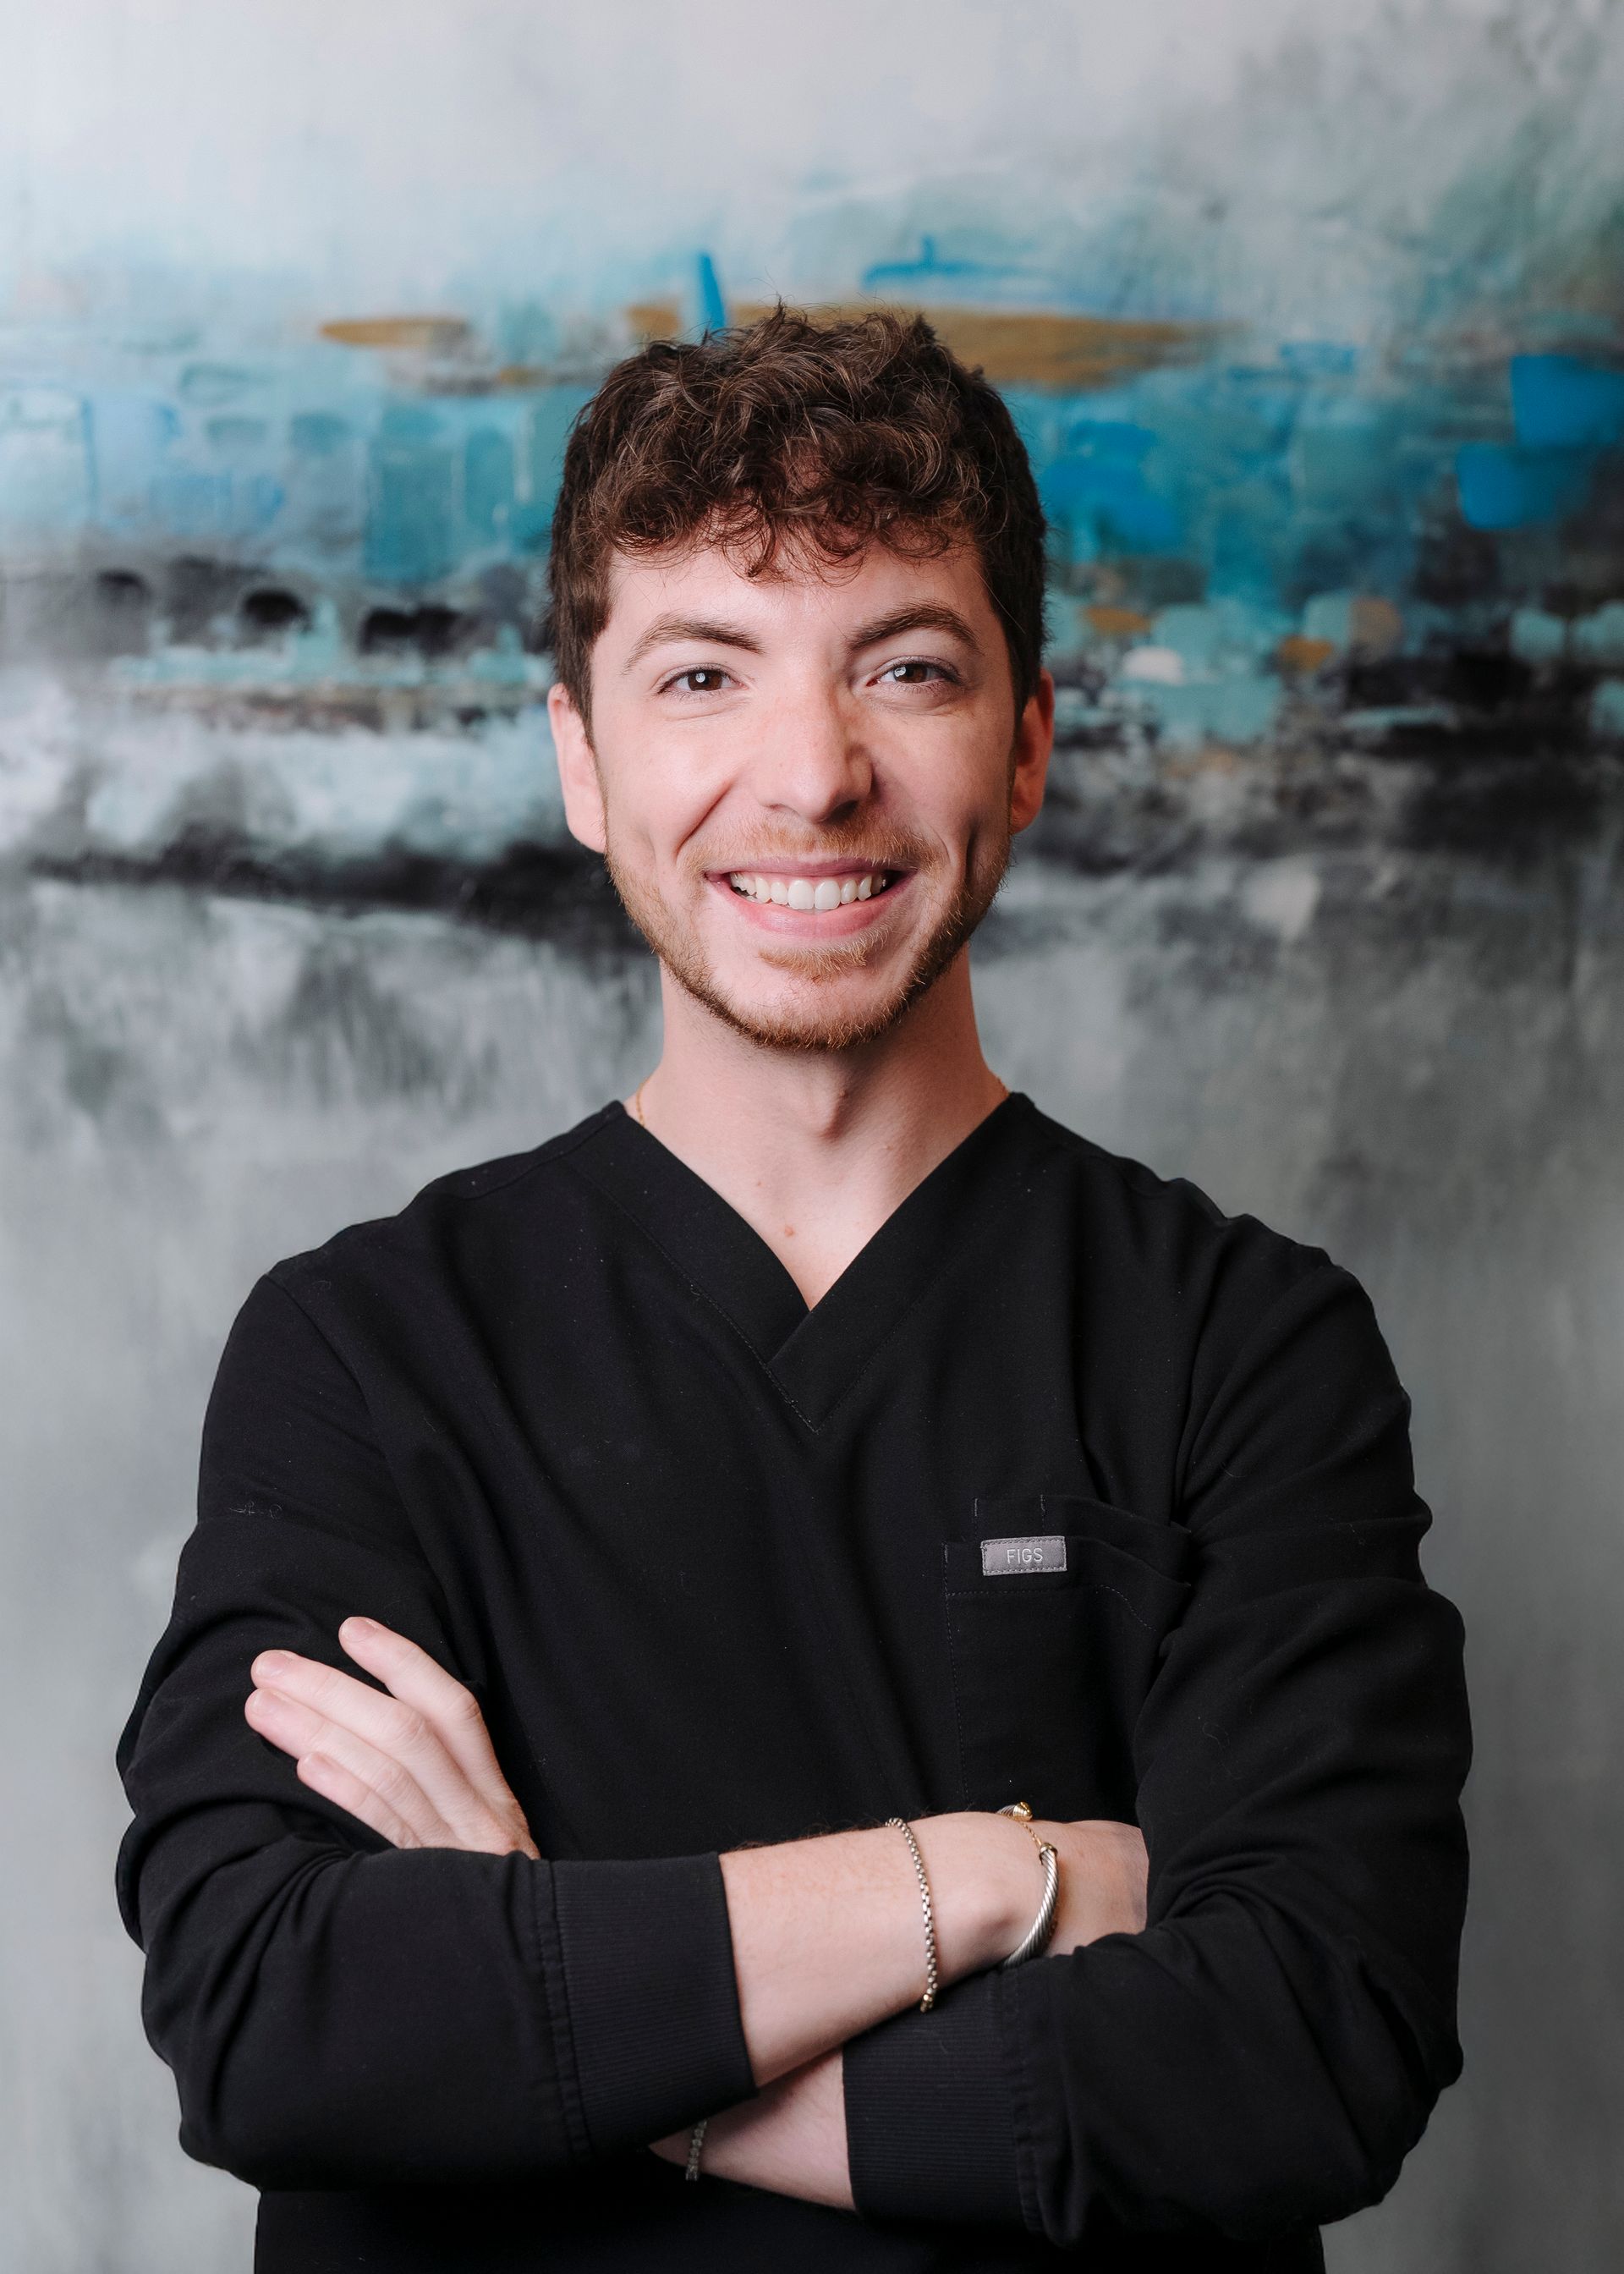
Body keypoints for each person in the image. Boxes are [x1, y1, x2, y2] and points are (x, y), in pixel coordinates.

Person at [115, 308, 1471, 2272]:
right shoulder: (366, 1354)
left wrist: (573, 2015)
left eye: (905, 668)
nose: (811, 775)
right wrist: (993, 1879)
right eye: (702, 675)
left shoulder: (1244, 1347)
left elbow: (1304, 2045)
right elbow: (276, 2016)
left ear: (1024, 744)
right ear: (583, 760)